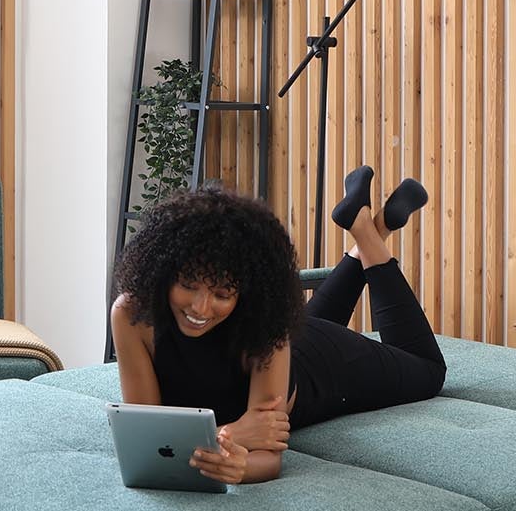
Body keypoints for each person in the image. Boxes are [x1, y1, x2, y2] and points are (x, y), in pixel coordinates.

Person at [109, 168, 443, 485]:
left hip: (323, 365)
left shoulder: (267, 331)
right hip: (290, 338)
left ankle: (367, 232)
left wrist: (238, 462)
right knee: (311, 321)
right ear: (164, 270)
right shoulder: (132, 315)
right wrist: (234, 434)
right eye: (187, 285)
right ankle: (370, 229)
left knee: (428, 371)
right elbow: (147, 438)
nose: (200, 307)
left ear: (245, 293)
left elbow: (268, 458)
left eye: (222, 293)